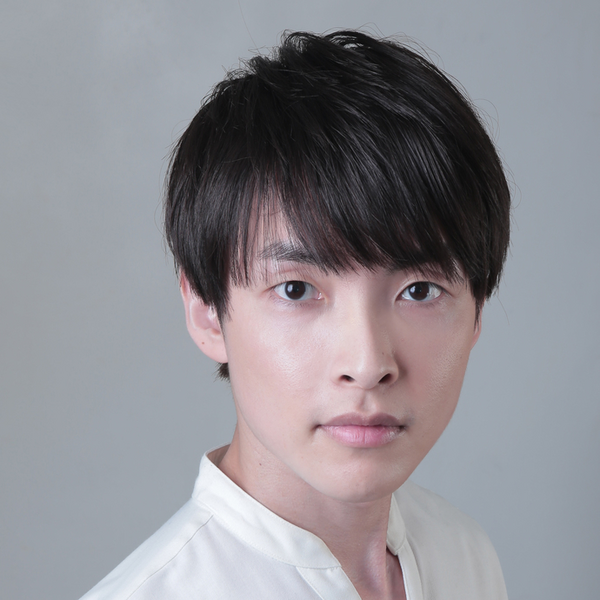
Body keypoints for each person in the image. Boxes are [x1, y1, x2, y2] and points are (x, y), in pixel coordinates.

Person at [81, 30, 510, 600]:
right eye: (296, 289)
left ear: (477, 311)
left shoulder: (464, 556)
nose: (367, 364)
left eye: (419, 290)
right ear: (207, 310)